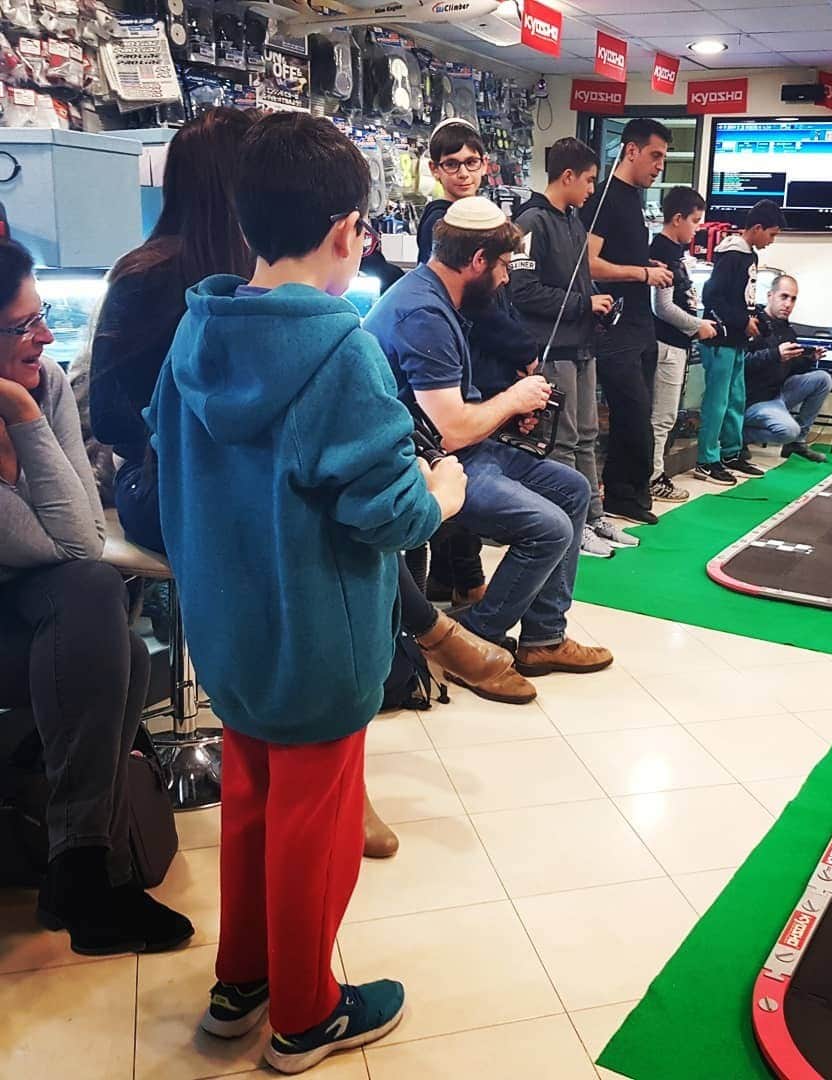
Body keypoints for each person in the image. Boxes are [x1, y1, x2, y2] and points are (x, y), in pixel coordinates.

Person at [146, 113, 466, 1073]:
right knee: (313, 829)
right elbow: (389, 512)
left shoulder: (196, 332)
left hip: (227, 631)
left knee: (249, 807)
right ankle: (307, 1013)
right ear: (346, 230)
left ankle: (241, 983)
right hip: (318, 641)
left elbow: (170, 465)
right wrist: (442, 494)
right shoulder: (340, 352)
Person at [0, 239, 193, 957]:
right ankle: (88, 875)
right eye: (23, 325)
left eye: (41, 315)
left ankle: (82, 869)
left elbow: (79, 534)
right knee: (96, 608)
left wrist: (22, 409)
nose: (46, 337)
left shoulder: (43, 384)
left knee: (113, 634)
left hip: (31, 602)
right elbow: (58, 542)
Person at [364, 197, 614, 678]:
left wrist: (506, 412)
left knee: (573, 489)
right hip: (424, 461)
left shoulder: (438, 297)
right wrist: (513, 401)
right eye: (502, 266)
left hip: (451, 448)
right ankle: (472, 641)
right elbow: (452, 431)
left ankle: (543, 638)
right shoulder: (423, 314)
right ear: (478, 260)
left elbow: (453, 413)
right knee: (550, 528)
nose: (505, 280)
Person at [90, 107, 256, 554]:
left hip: (208, 481)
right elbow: (108, 417)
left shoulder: (255, 272)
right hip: (159, 483)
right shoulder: (145, 278)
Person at [417, 118, 536, 605]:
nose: (463, 173)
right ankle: (465, 581)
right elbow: (477, 304)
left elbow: (500, 296)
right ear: (435, 169)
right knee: (459, 471)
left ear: (485, 164)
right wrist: (524, 352)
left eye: (470, 162)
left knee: (464, 469)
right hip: (461, 367)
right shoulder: (442, 222)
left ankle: (450, 579)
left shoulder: (482, 216)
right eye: (452, 164)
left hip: (486, 364)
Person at [510, 136, 638, 558]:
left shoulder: (574, 222)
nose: (591, 190)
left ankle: (593, 517)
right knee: (561, 441)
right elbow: (523, 291)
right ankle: (570, 524)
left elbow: (578, 284)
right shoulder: (531, 222)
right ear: (567, 176)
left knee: (587, 436)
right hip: (553, 350)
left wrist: (595, 302)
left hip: (583, 345)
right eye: (588, 180)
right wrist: (584, 304)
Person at [582, 117, 674, 526]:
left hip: (641, 323)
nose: (659, 166)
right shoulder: (604, 199)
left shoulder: (634, 199)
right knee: (632, 414)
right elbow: (589, 264)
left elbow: (617, 256)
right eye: (655, 155)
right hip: (614, 327)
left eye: (664, 158)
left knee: (641, 414)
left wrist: (645, 264)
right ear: (631, 150)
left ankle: (630, 492)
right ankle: (620, 493)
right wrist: (642, 273)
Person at [697, 199, 786, 484]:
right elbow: (712, 297)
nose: (771, 241)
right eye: (771, 234)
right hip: (720, 339)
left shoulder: (750, 256)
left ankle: (731, 452)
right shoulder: (732, 254)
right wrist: (740, 320)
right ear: (757, 228)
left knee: (736, 399)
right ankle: (706, 459)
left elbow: (741, 297)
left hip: (737, 340)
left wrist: (753, 317)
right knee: (717, 402)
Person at [648, 186, 719, 503]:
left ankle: (652, 474)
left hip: (676, 342)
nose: (697, 229)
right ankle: (653, 478)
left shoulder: (674, 251)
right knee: (661, 418)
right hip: (665, 343)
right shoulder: (662, 250)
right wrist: (696, 325)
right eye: (695, 221)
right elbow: (662, 307)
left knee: (664, 417)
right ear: (677, 218)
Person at [743, 274, 832, 463]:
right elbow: (741, 364)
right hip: (752, 399)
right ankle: (739, 434)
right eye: (784, 297)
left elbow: (789, 368)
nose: (788, 304)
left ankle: (797, 443)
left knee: (822, 378)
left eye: (793, 299)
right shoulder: (753, 324)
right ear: (770, 296)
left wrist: (808, 359)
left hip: (777, 393)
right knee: (789, 431)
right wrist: (776, 354)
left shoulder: (787, 330)